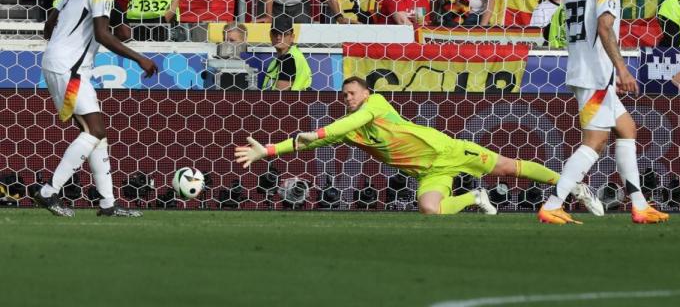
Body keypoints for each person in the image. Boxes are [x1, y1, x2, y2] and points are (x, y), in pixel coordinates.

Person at [236, 76, 587, 215]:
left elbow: (346, 125)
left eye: (352, 93)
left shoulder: (376, 105)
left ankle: (569, 184)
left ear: (366, 94)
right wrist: (265, 151)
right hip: (429, 171)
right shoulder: (347, 128)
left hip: (446, 151)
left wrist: (321, 133)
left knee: (510, 167)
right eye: (344, 95)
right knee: (430, 210)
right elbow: (303, 146)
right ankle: (475, 197)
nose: (348, 99)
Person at [538, 0, 669, 225]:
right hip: (597, 73)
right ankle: (553, 204)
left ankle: (639, 205)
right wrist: (622, 68)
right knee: (595, 141)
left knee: (627, 128)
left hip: (584, 67)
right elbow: (605, 27)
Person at [30, 0, 157, 218]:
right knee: (95, 131)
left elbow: (50, 25)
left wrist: (113, 25)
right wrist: (140, 58)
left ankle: (107, 203)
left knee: (96, 135)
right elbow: (101, 34)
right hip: (70, 67)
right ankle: (49, 191)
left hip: (59, 61)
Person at [262, 15, 312, 91]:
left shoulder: (289, 59)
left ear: (292, 37)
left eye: (284, 34)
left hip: (292, 102)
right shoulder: (276, 62)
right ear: (270, 36)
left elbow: (280, 97)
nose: (278, 37)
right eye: (275, 33)